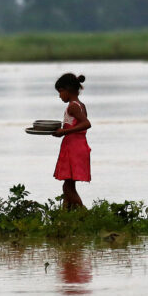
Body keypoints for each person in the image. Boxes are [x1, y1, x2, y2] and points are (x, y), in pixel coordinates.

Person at [52, 72, 91, 210]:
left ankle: (83, 213)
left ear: (68, 90)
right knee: (69, 185)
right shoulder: (80, 105)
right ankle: (66, 216)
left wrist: (64, 132)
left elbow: (86, 124)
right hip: (76, 145)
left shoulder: (73, 106)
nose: (59, 96)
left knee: (67, 187)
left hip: (74, 147)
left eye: (60, 92)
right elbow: (76, 124)